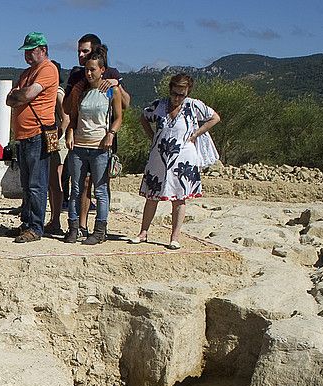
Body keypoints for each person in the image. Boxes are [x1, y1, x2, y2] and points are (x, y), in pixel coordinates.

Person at [130, 73, 220, 250]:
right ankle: (143, 232)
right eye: (175, 93)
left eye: (182, 94)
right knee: (152, 196)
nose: (177, 98)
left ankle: (174, 237)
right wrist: (152, 136)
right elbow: (144, 117)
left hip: (183, 158)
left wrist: (195, 134)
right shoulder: (160, 105)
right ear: (170, 90)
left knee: (179, 198)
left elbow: (214, 117)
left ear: (187, 92)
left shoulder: (193, 105)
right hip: (159, 156)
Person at [66, 34, 131, 236]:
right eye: (79, 51)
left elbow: (123, 110)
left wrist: (115, 84)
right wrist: (69, 131)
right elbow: (70, 111)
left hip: (101, 144)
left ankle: (100, 230)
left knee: (100, 188)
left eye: (85, 51)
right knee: (77, 188)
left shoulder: (111, 81)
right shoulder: (78, 80)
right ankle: (77, 227)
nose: (81, 56)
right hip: (80, 144)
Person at [6, 32, 58, 243]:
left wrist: (17, 95)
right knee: (27, 184)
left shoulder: (47, 69)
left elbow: (23, 95)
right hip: (24, 134)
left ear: (42, 50)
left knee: (37, 184)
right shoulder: (27, 73)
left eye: (31, 51)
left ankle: (36, 227)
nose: (27, 55)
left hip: (38, 132)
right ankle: (27, 222)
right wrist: (16, 95)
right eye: (26, 51)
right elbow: (11, 99)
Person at [44, 67, 70, 236]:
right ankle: (54, 219)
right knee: (51, 183)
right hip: (51, 139)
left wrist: (57, 136)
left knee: (56, 182)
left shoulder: (58, 93)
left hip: (56, 141)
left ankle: (56, 220)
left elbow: (65, 117)